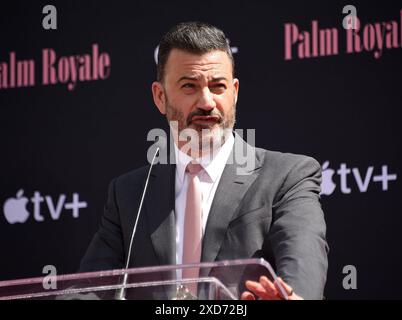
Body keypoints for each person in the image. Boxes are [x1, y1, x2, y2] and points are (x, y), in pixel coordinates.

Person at [80, 22, 328, 300]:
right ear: (160, 97)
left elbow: (303, 261)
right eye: (189, 86)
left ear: (234, 92)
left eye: (218, 86)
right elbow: (89, 290)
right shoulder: (129, 195)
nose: (207, 102)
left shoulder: (287, 176)